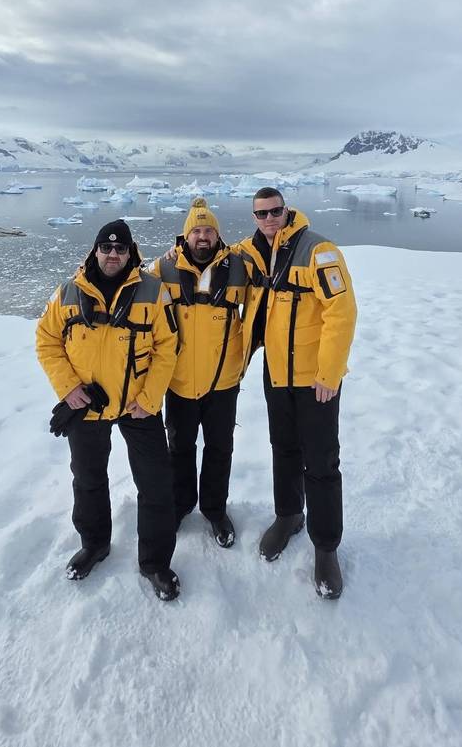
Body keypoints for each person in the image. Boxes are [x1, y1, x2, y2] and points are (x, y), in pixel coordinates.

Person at [36, 219, 180, 601]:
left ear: (131, 253)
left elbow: (168, 347)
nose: (113, 255)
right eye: (106, 248)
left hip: (138, 407)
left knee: (155, 487)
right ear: (95, 250)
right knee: (88, 480)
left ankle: (155, 563)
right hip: (88, 406)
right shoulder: (67, 293)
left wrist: (149, 400)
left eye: (120, 249)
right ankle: (94, 544)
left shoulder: (153, 292)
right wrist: (68, 389)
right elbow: (47, 341)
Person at [237, 187, 357, 599]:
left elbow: (341, 312)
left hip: (315, 381)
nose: (268, 219)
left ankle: (326, 548)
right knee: (283, 447)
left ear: (287, 210)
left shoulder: (318, 250)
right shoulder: (257, 250)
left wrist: (330, 373)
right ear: (254, 217)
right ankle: (289, 515)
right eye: (260, 214)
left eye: (274, 211)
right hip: (277, 375)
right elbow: (217, 256)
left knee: (321, 460)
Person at [147, 198, 247, 547]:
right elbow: (137, 294)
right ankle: (181, 504)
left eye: (208, 230)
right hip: (179, 380)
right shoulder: (163, 268)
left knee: (220, 448)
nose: (203, 237)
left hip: (224, 380)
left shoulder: (238, 266)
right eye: (196, 231)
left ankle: (215, 510)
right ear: (185, 235)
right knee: (180, 447)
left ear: (217, 234)